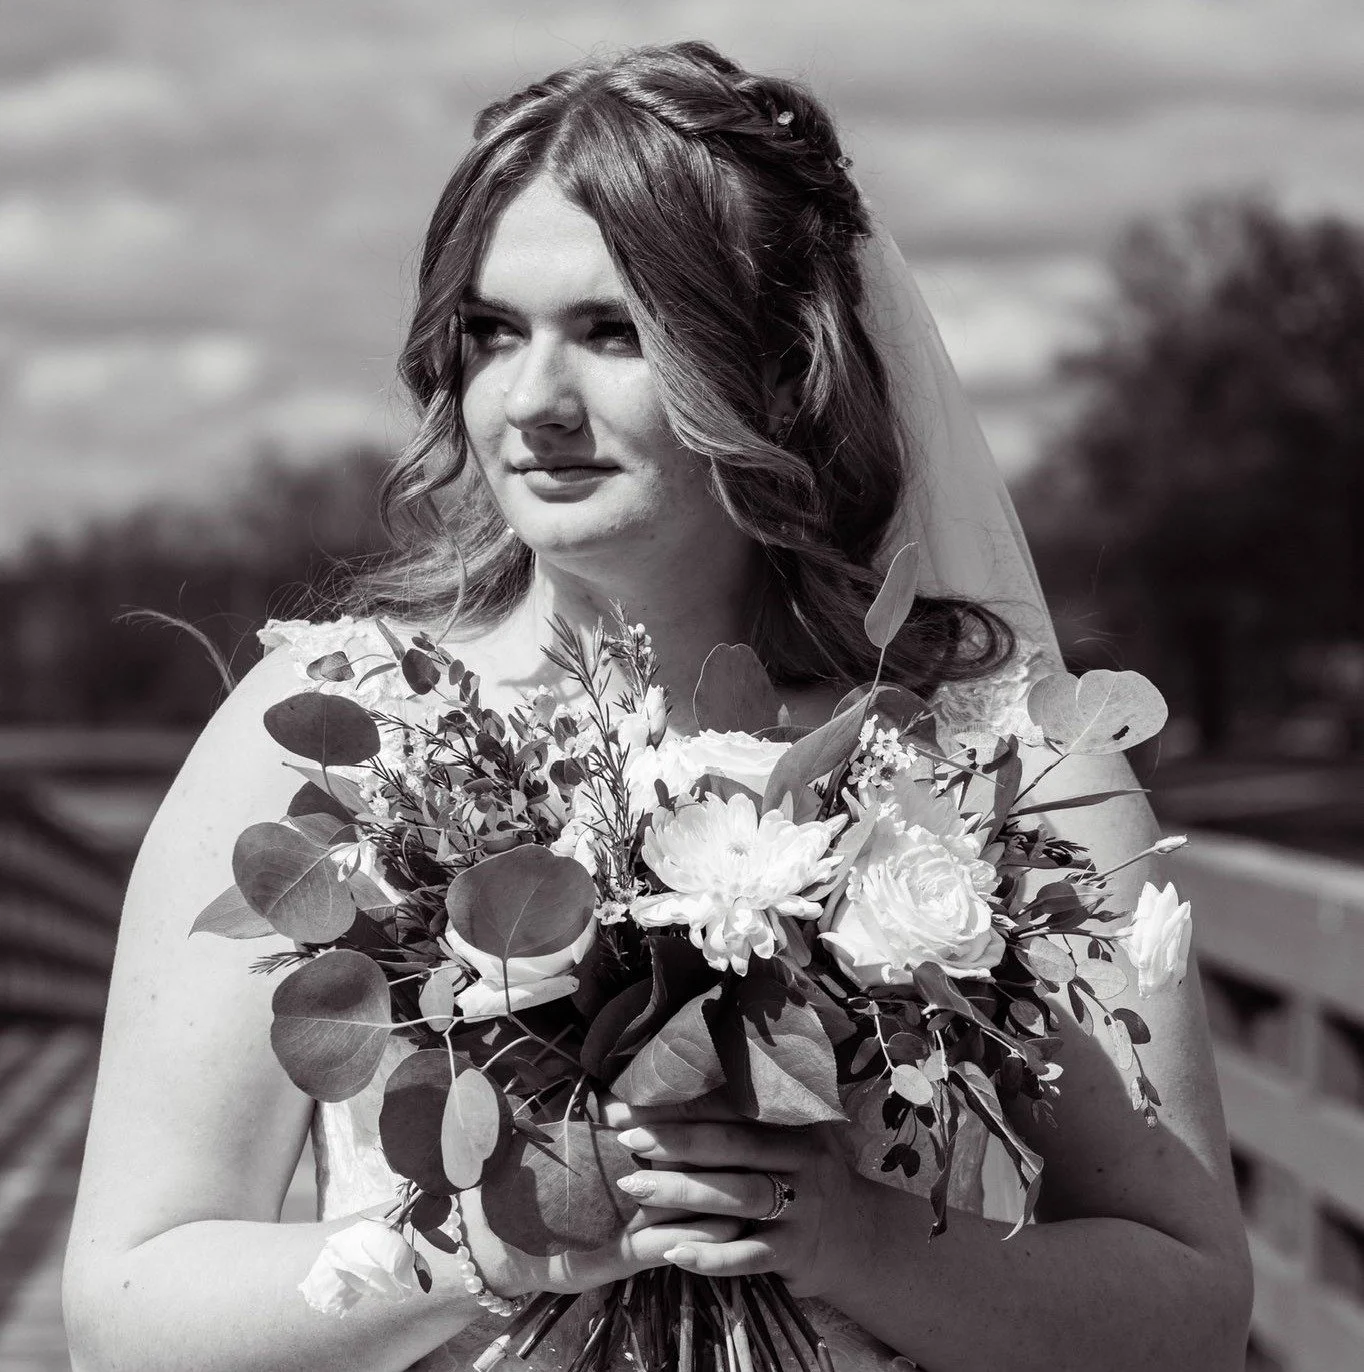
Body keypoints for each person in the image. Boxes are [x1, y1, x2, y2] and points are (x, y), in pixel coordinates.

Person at [62, 40, 1252, 1372]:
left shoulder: (995, 763)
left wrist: (847, 1238)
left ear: (774, 361)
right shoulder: (331, 735)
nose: (533, 401)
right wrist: (484, 1248)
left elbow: (1193, 1313)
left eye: (615, 332)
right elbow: (126, 1305)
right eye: (492, 333)